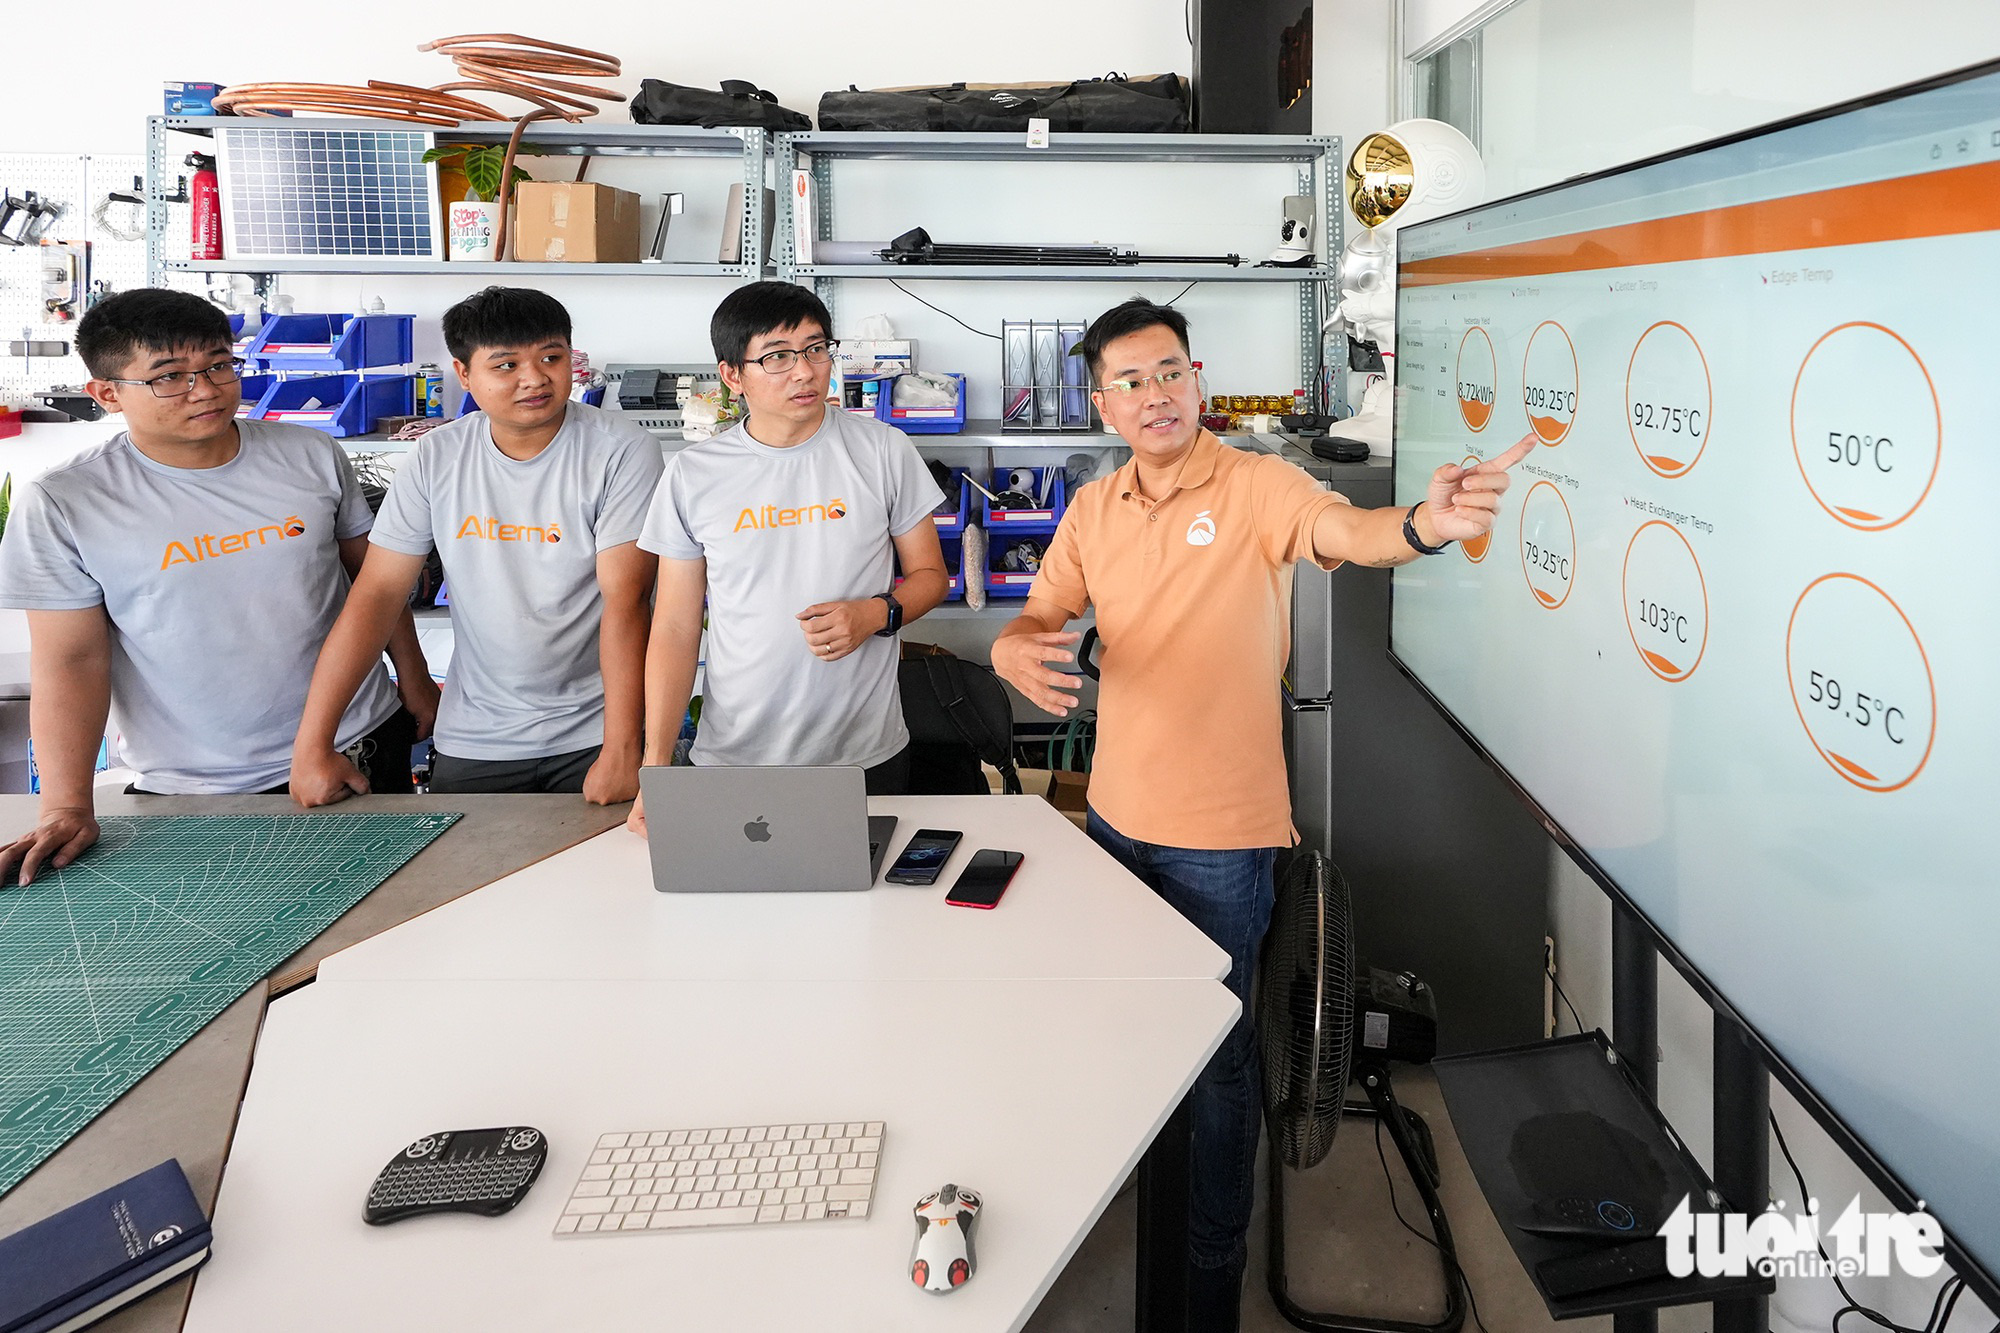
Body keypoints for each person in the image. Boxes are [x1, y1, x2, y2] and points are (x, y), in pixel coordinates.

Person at [990, 298, 1533, 1330]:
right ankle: (1151, 1189)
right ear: (1102, 404)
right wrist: (1015, 644)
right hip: (1114, 821)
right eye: (1130, 381)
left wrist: (1425, 525)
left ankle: (1210, 1265)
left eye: (1169, 372)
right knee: (1134, 1024)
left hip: (1223, 835)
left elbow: (1350, 531)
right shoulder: (1094, 507)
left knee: (1218, 1051)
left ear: (1196, 379)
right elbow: (1043, 611)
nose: (1155, 395)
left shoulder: (1254, 484)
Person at [0, 288, 436, 884]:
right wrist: (67, 805)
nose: (204, 389)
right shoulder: (65, 502)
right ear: (106, 394)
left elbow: (374, 584)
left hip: (356, 743)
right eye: (169, 377)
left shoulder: (309, 453)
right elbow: (70, 660)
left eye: (218, 365)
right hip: (192, 784)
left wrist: (415, 680)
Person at [290, 286, 661, 804]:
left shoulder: (621, 450)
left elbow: (627, 600)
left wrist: (624, 748)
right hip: (476, 734)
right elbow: (376, 596)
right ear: (464, 374)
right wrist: (313, 746)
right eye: (506, 365)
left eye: (551, 358)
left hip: (595, 730)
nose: (534, 378)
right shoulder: (436, 456)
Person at [626, 282, 948, 835]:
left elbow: (931, 576)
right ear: (732, 375)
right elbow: (676, 626)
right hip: (736, 755)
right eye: (777, 357)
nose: (804, 371)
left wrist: (875, 613)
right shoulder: (693, 474)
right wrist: (655, 766)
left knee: (869, 890)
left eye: (816, 349)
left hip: (864, 752)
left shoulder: (882, 449)